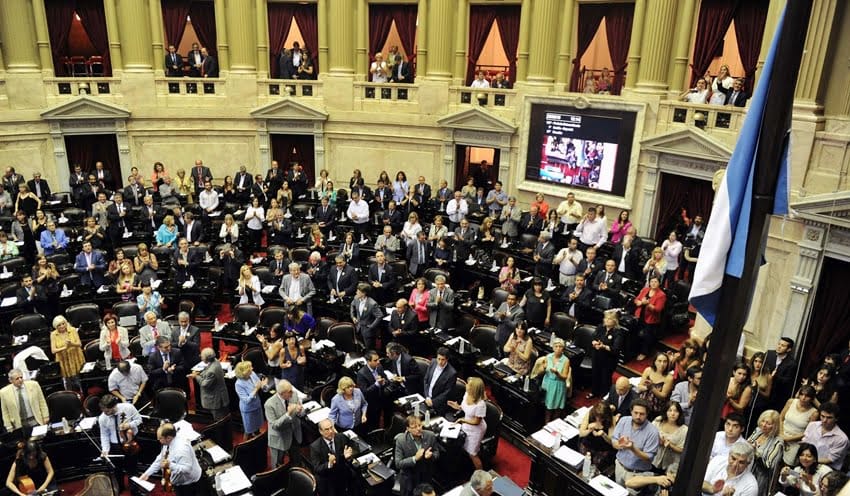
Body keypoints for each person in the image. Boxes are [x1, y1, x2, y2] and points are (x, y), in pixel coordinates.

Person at [139, 423, 203, 495]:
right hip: (178, 481)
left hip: (189, 484)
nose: (158, 440)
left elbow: (187, 469)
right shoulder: (168, 443)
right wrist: (147, 474)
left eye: (160, 438)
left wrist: (170, 465)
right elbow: (160, 459)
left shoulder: (181, 449)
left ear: (168, 437)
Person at [610, 399, 660, 487]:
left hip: (637, 474)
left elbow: (649, 458)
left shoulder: (653, 432)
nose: (638, 416)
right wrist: (620, 444)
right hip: (619, 466)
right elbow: (614, 440)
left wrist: (633, 448)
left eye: (642, 414)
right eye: (635, 413)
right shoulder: (623, 420)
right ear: (631, 411)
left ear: (647, 414)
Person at [97, 395, 141, 492]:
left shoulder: (128, 408)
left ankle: (134, 490)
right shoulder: (102, 418)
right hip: (115, 445)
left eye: (107, 411)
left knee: (132, 468)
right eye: (104, 411)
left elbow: (139, 420)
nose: (106, 413)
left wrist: (129, 425)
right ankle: (120, 488)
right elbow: (104, 435)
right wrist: (105, 450)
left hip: (130, 442)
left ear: (114, 406)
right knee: (117, 470)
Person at [447, 377, 488, 470]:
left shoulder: (480, 404)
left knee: (472, 454)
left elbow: (477, 421)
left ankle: (480, 474)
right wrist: (458, 407)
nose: (466, 385)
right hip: (466, 423)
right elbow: (465, 408)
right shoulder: (467, 394)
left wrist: (462, 420)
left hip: (476, 430)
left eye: (468, 384)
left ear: (474, 388)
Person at [395, 415, 440, 496]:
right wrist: (414, 458)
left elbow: (436, 452)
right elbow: (398, 464)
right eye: (414, 427)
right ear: (408, 429)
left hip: (426, 475)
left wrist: (431, 456)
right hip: (409, 477)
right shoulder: (401, 441)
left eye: (419, 425)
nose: (418, 429)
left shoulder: (430, 435)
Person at [310, 419, 355, 496]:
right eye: (327, 429)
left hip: (342, 471)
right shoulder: (315, 447)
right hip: (327, 477)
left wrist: (349, 457)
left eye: (331, 428)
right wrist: (329, 464)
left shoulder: (341, 437)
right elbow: (317, 468)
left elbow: (351, 450)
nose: (331, 431)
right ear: (321, 431)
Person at [265, 379, 304, 467]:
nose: (292, 393)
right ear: (282, 393)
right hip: (280, 437)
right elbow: (274, 425)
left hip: (294, 433)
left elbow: (301, 413)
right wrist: (288, 414)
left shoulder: (293, 395)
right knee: (278, 464)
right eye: (289, 391)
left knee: (297, 460)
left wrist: (300, 411)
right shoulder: (269, 404)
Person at [532, 338, 571, 423]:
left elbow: (564, 376)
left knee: (557, 407)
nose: (558, 348)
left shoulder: (566, 360)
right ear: (553, 347)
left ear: (563, 349)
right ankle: (546, 423)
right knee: (548, 407)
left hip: (559, 385)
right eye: (556, 346)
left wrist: (557, 373)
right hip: (548, 384)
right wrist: (543, 368)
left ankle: (554, 423)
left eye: (560, 347)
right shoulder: (548, 357)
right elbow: (541, 371)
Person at [802, 402, 849, 470]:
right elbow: (804, 444)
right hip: (807, 464)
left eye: (829, 418)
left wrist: (809, 460)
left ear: (836, 419)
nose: (824, 420)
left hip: (826, 469)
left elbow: (830, 459)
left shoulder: (842, 439)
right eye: (822, 416)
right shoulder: (812, 425)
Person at [781, 385, 820, 466]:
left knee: (786, 465)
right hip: (781, 435)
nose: (803, 398)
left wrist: (788, 439)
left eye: (807, 396)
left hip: (795, 441)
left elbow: (808, 433)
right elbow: (780, 418)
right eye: (801, 394)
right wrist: (781, 434)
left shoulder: (814, 412)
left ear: (812, 398)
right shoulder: (791, 401)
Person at [0, 369, 49, 433]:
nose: (20, 380)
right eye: (17, 378)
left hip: (35, 420)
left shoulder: (34, 385)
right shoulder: (3, 392)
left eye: (21, 377)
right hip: (18, 425)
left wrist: (45, 416)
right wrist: (8, 426)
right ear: (11, 380)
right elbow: (5, 411)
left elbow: (42, 401)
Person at [589, 311, 624, 400]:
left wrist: (603, 346)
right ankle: (594, 391)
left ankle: (604, 396)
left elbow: (615, 349)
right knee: (595, 374)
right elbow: (593, 337)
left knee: (605, 378)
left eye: (610, 319)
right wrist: (594, 343)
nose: (607, 320)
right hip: (597, 356)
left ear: (615, 321)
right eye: (606, 318)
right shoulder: (601, 327)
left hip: (609, 359)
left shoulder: (618, 332)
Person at [189, 347, 230, 420]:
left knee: (219, 419)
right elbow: (207, 371)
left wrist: (196, 376)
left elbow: (204, 384)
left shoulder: (212, 371)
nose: (201, 358)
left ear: (207, 358)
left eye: (202, 357)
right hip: (220, 394)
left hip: (216, 399)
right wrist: (199, 374)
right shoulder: (215, 361)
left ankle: (220, 430)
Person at [634, 277, 667, 361]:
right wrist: (640, 302)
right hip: (640, 315)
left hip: (651, 318)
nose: (653, 283)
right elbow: (636, 299)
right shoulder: (645, 289)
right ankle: (636, 349)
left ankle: (644, 352)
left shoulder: (661, 295)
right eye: (651, 281)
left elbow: (658, 309)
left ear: (659, 283)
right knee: (637, 333)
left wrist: (648, 304)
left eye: (655, 282)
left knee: (647, 337)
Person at [578, 400, 617, 469]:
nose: (599, 419)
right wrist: (589, 430)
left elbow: (611, 442)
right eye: (597, 417)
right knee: (582, 463)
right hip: (587, 444)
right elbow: (581, 434)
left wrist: (603, 434)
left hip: (602, 448)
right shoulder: (590, 413)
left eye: (601, 417)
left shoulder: (611, 419)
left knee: (596, 466)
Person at [234, 360, 267, 438]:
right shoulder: (238, 384)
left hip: (257, 405)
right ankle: (245, 447)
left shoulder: (252, 374)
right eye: (250, 368)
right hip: (248, 409)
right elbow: (246, 400)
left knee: (258, 427)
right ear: (244, 372)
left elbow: (259, 384)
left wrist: (263, 385)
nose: (252, 369)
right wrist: (256, 389)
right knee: (248, 430)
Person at [636, 352, 675, 419]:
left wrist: (652, 388)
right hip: (642, 403)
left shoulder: (669, 378)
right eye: (659, 361)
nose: (662, 364)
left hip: (656, 408)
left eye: (665, 362)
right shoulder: (648, 370)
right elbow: (639, 386)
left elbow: (663, 396)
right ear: (655, 362)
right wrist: (647, 387)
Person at [50, 315, 84, 390]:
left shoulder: (72, 330)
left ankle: (82, 392)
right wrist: (64, 348)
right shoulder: (53, 334)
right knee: (67, 381)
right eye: (59, 325)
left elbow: (79, 344)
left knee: (78, 378)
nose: (62, 326)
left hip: (75, 357)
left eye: (63, 323)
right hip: (63, 359)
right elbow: (53, 350)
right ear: (56, 326)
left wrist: (71, 344)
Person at [652, 401, 688, 473]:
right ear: (665, 412)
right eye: (670, 410)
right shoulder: (658, 421)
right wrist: (657, 440)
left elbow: (683, 450)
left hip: (671, 465)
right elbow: (648, 435)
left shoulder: (684, 429)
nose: (672, 414)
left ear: (679, 413)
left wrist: (671, 446)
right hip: (652, 459)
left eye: (676, 411)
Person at [423, 347, 457, 415]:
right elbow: (426, 380)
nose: (440, 362)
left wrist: (433, 402)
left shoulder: (452, 373)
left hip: (438, 405)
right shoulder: (433, 362)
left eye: (443, 360)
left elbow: (447, 393)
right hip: (426, 399)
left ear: (447, 359)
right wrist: (427, 396)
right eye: (438, 359)